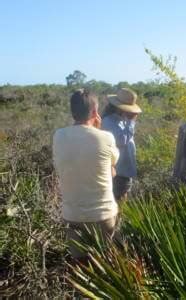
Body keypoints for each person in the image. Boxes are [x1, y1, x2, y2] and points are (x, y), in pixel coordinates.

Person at [53, 89, 119, 261]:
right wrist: (98, 129)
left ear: (73, 112)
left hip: (72, 215)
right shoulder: (106, 137)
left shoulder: (58, 136)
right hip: (102, 215)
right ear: (95, 112)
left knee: (79, 267)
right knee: (104, 266)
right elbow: (112, 166)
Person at [102, 88, 142, 203]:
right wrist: (131, 122)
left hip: (124, 170)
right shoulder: (109, 121)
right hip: (119, 171)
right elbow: (121, 140)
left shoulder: (121, 119)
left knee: (121, 200)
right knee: (119, 202)